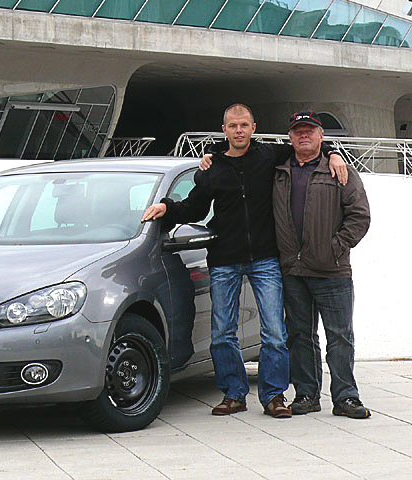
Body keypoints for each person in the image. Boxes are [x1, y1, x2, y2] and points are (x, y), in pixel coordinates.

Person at [142, 104, 346, 418]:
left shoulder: (268, 156)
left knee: (274, 332)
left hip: (266, 259)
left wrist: (333, 152)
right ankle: (234, 394)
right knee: (223, 332)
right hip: (224, 260)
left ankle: (273, 397)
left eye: (244, 125)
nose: (239, 130)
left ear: (254, 128)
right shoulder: (213, 169)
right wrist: (167, 208)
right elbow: (195, 208)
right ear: (224, 130)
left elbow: (304, 143)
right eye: (233, 126)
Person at [273, 111, 371, 418]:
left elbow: (360, 215)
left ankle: (345, 398)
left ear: (321, 136)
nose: (304, 135)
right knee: (300, 336)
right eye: (298, 131)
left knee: (340, 336)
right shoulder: (277, 171)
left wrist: (335, 248)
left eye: (310, 131)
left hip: (332, 270)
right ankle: (306, 395)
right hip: (292, 270)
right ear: (290, 137)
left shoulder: (339, 170)